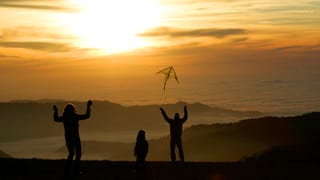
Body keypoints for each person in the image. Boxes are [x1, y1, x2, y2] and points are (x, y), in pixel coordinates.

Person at [53, 100, 92, 176]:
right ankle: (75, 171)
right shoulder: (75, 117)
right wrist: (88, 106)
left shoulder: (64, 118)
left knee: (71, 153)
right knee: (78, 154)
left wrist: (56, 111)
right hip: (76, 137)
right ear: (73, 109)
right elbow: (87, 116)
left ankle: (67, 171)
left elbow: (56, 119)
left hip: (68, 138)